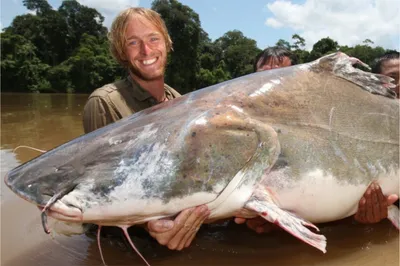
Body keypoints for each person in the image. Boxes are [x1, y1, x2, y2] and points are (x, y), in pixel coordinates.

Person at [82, 7, 210, 251]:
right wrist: (149, 224)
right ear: (122, 52)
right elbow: (101, 190)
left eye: (153, 39)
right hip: (118, 242)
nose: (146, 51)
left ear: (167, 43)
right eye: (133, 42)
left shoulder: (181, 101)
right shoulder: (104, 103)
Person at [233, 47, 399, 234]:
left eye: (282, 74)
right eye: (264, 74)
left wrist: (359, 218)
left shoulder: (335, 115)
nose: (273, 80)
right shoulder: (234, 123)